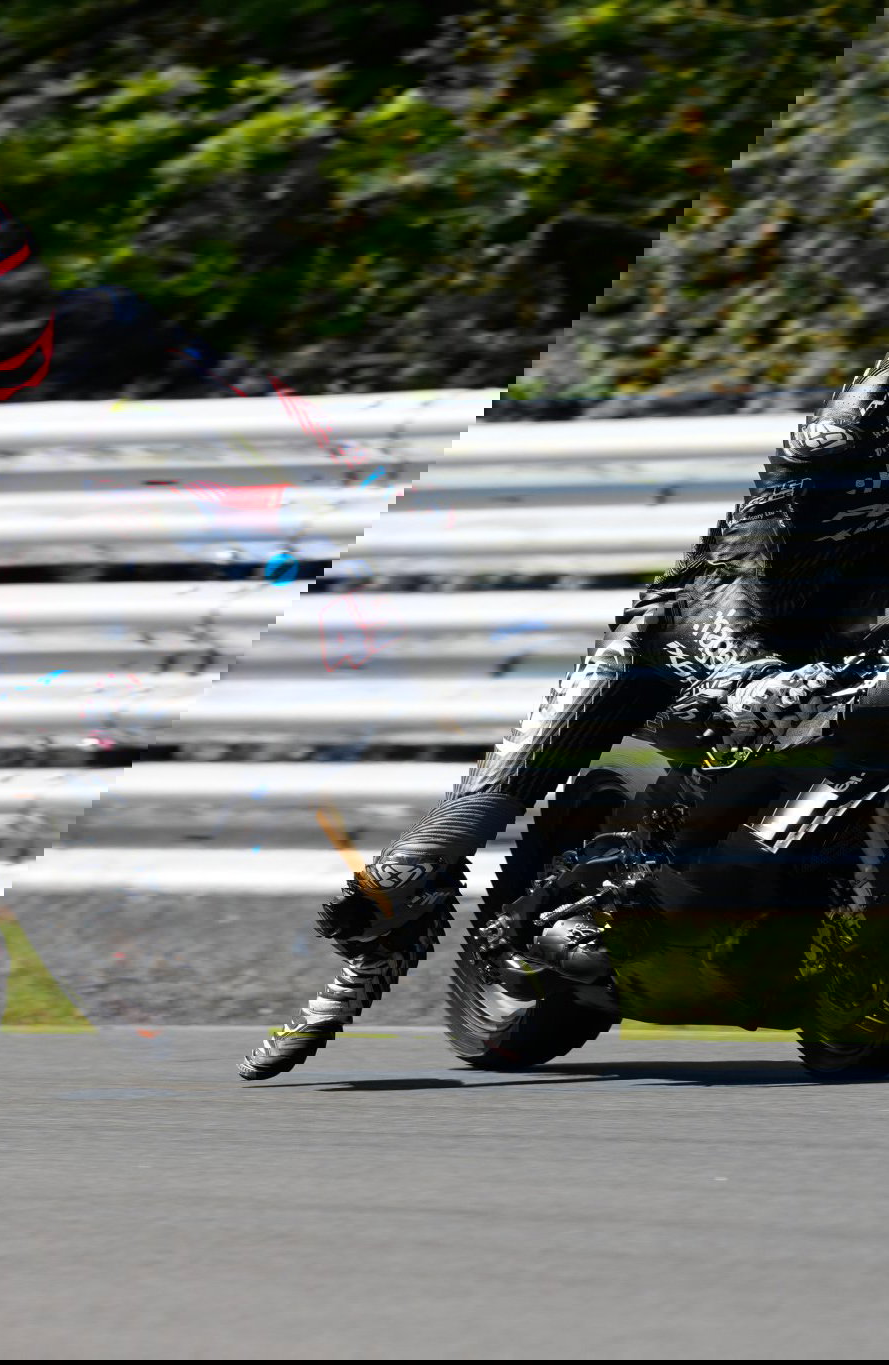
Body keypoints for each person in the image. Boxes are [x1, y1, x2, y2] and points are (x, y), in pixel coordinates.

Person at [242, 351, 889, 1077]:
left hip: (854, 661)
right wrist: (752, 664)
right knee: (420, 863)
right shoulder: (856, 428)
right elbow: (756, 551)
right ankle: (521, 895)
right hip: (726, 611)